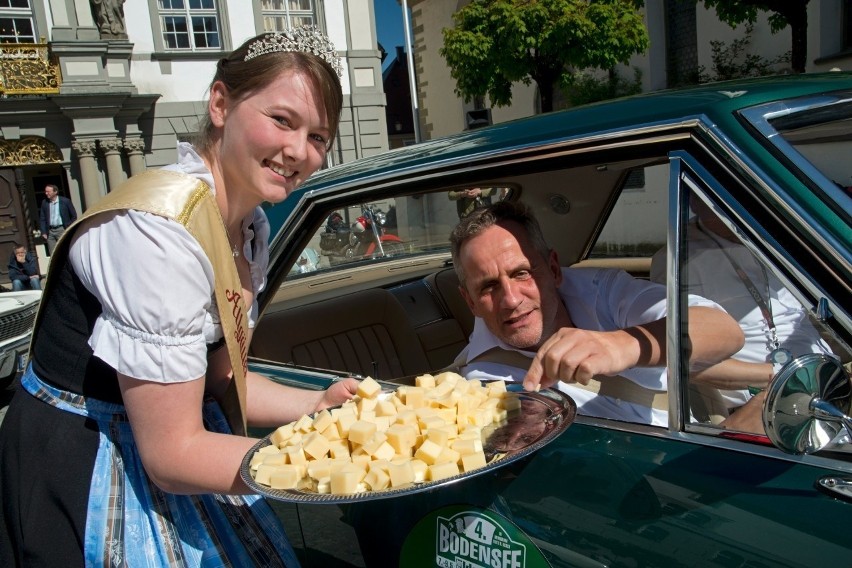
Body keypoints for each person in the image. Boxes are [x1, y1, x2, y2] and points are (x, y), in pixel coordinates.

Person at [0, 26, 358, 567]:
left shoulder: (248, 227)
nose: (297, 151)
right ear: (220, 103)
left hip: (170, 440)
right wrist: (332, 467)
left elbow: (217, 380)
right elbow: (172, 453)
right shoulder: (156, 235)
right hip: (88, 458)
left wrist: (315, 405)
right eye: (281, 120)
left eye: (318, 137)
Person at [449, 201, 745, 426]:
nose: (511, 300)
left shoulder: (600, 291)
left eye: (522, 273)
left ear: (553, 269)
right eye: (488, 287)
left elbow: (725, 330)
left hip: (704, 424)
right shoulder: (482, 382)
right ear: (470, 302)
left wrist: (623, 345)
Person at [650, 197, 834, 423]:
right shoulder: (681, 258)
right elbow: (680, 358)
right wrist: (779, 376)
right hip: (773, 407)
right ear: (694, 201)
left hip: (828, 382)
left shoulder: (782, 244)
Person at [38, 183, 77, 255]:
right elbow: (42, 218)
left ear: (55, 192)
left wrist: (68, 227)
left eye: (48, 191)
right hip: (50, 231)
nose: (46, 193)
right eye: (45, 191)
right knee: (53, 253)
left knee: (65, 250)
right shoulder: (45, 202)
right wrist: (43, 232)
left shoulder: (65, 201)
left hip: (62, 229)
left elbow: (74, 216)